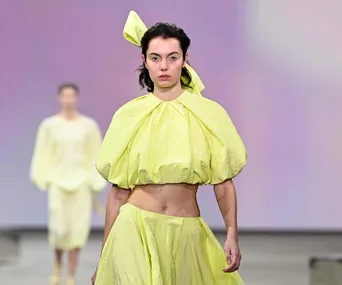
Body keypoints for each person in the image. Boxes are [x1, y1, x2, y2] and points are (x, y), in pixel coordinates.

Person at [91, 11, 247, 285]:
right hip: (133, 228)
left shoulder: (208, 114)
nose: (164, 66)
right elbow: (118, 194)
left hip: (186, 232)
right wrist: (105, 258)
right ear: (145, 61)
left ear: (185, 60)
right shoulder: (129, 116)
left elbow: (223, 183)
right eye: (155, 57)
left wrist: (231, 233)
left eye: (172, 57)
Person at [30, 82, 107, 285]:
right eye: (65, 95)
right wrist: (43, 176)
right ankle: (57, 265)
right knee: (58, 229)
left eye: (72, 96)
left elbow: (95, 152)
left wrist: (95, 180)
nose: (68, 100)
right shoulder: (49, 125)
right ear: (59, 98)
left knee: (78, 229)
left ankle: (71, 274)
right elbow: (43, 151)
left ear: (77, 98)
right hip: (58, 181)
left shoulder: (88, 126)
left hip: (81, 183)